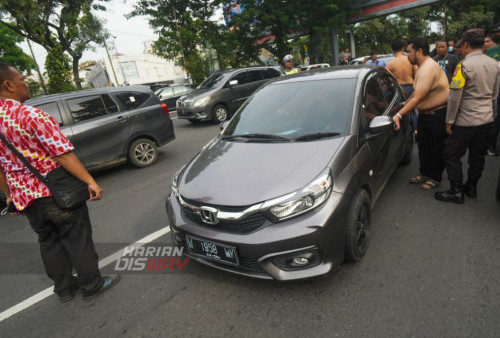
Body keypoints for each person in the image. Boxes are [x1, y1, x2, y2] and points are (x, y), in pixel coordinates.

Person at [0, 61, 120, 302]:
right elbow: (62, 154)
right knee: (76, 238)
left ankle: (64, 289)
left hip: (26, 197)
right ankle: (92, 284)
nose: (26, 83)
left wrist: (10, 195)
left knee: (48, 241)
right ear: (8, 85)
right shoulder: (30, 115)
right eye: (22, 78)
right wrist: (90, 182)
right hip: (55, 193)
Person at [435, 29, 500, 203]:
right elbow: (495, 94)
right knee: (477, 156)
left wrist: (449, 120)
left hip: (466, 120)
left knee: (451, 152)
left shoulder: (463, 66)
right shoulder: (495, 64)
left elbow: (455, 96)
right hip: (486, 119)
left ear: (465, 44)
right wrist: (492, 115)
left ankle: (456, 190)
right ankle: (471, 187)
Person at [392, 38, 450, 190]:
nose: (407, 55)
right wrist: (405, 104)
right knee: (424, 146)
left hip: (437, 115)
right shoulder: (421, 67)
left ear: (419, 51)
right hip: (425, 115)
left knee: (436, 148)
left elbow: (418, 97)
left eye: (409, 52)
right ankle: (425, 173)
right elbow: (416, 93)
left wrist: (398, 115)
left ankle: (435, 177)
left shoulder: (428, 68)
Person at [386, 41, 418, 130]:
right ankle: (416, 129)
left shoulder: (390, 64)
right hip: (410, 87)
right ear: (403, 49)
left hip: (398, 89)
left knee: (399, 110)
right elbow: (417, 74)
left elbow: (387, 79)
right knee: (412, 110)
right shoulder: (409, 60)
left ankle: (402, 129)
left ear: (392, 50)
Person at [484, 34, 500, 156]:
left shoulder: (493, 52)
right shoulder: (488, 52)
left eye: (487, 41)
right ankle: (490, 145)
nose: (485, 43)